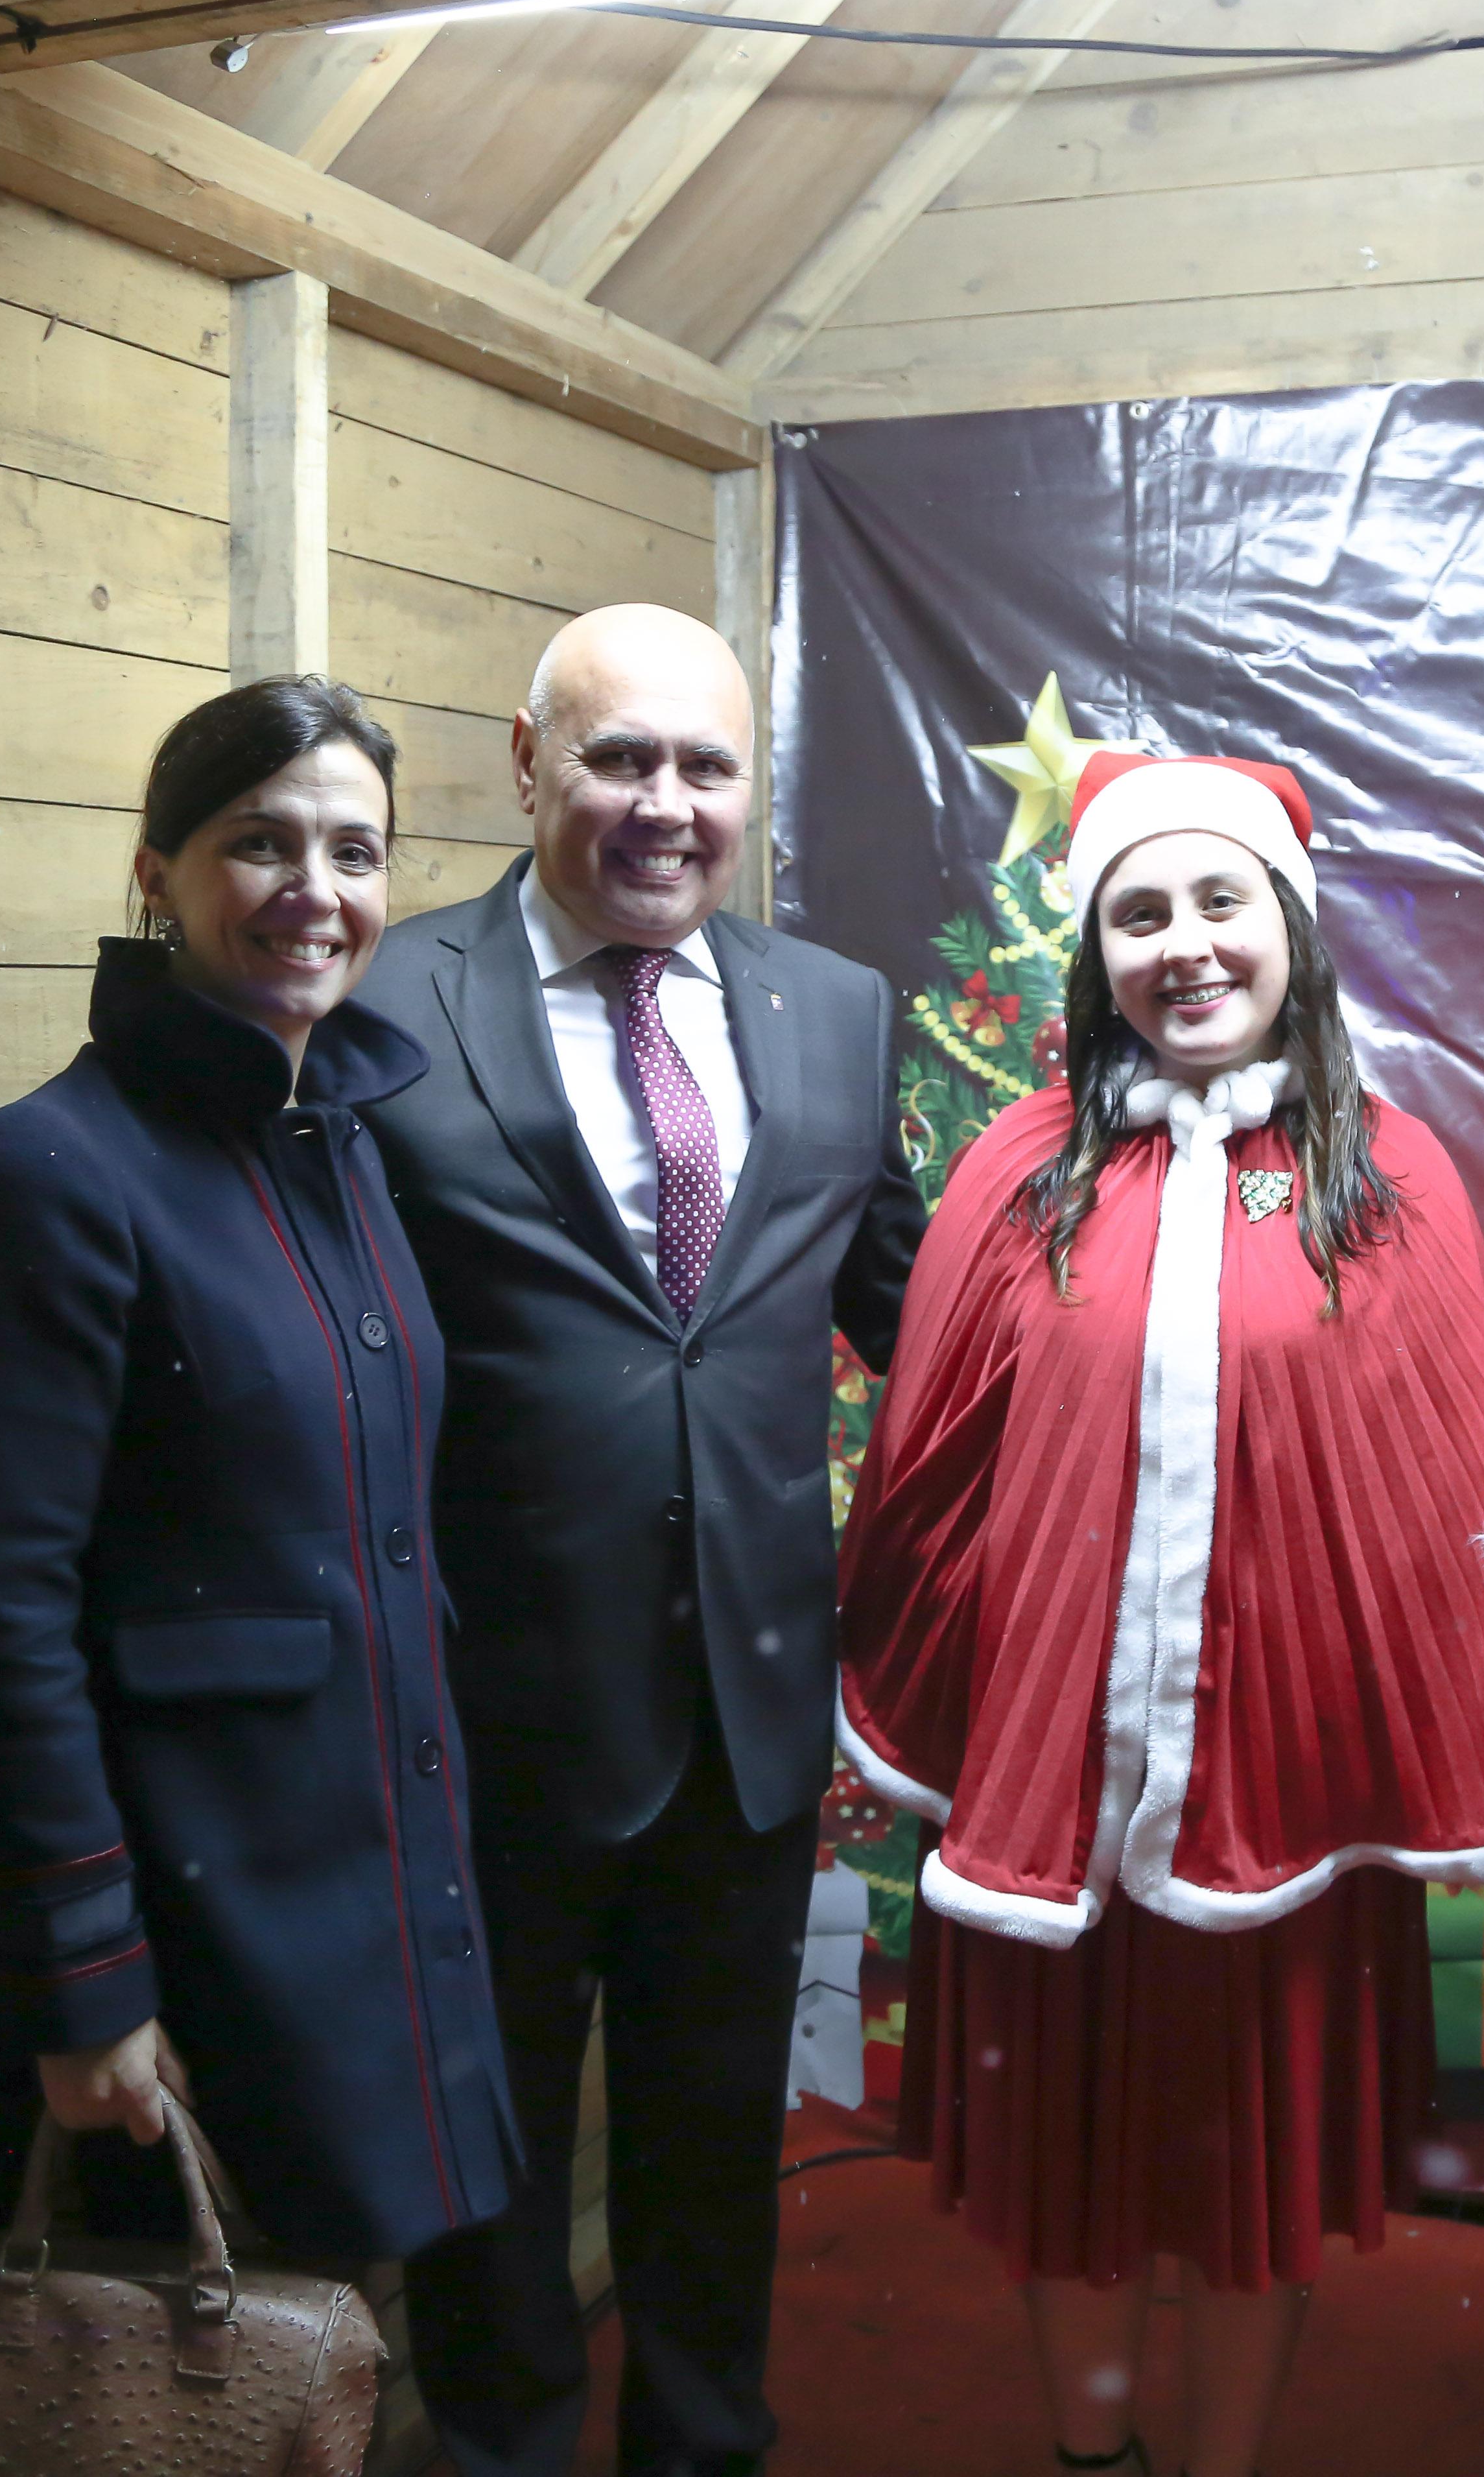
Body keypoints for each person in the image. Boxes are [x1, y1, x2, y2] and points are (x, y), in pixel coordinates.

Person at [838, 749, 1484, 2477]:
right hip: (1050, 1808)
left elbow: (1446, 1490)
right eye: (1140, 913)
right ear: (1097, 956)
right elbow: (933, 1475)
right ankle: (1097, 2461)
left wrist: (1415, 1737)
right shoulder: (1021, 1174)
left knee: (1248, 2180)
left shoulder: (1395, 1182)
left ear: (1288, 928)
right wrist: (939, 1717)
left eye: (1220, 901)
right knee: (1067, 2176)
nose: (1186, 946)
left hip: (1288, 1802)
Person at [359, 602, 926, 2477]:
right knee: (490, 2151)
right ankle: (503, 2449)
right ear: (526, 763)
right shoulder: (378, 1002)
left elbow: (915, 1312)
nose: (664, 806)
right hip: (479, 1706)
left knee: (707, 2147)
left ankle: (704, 2446)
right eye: (619, 758)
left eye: (706, 766)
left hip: (748, 1710)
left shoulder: (832, 1011)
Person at [0, 676, 518, 2268]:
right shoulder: (49, 1176)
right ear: (154, 872)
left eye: (357, 856)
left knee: (314, 2360)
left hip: (350, 1887)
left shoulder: (344, 1142)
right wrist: (85, 1979)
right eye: (261, 845)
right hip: (178, 1920)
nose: (317, 894)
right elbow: (1, 1614)